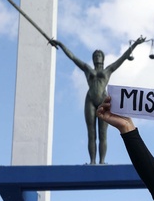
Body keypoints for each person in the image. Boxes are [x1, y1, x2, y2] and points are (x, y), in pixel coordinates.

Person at [49, 36, 146, 164]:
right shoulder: (87, 68)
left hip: (102, 100)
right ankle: (92, 161)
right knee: (91, 133)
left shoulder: (108, 70)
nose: (97, 57)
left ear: (103, 58)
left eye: (99, 55)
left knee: (102, 133)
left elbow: (123, 58)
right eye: (95, 55)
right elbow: (72, 57)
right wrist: (60, 44)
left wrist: (135, 45)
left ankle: (102, 161)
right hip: (90, 99)